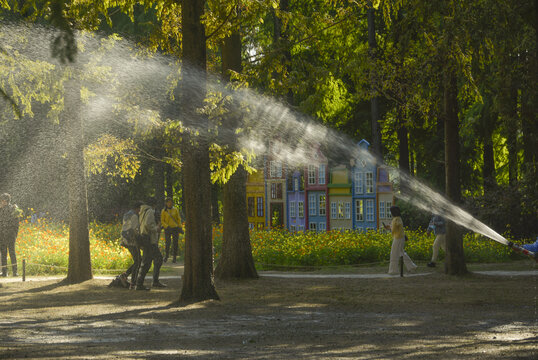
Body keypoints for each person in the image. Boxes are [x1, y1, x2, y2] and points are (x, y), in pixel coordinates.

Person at [135, 198, 166, 290]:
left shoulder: (143, 211)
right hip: (148, 239)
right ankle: (151, 282)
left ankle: (140, 283)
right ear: (154, 204)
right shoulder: (150, 211)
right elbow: (148, 224)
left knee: (147, 261)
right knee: (157, 259)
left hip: (144, 238)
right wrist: (156, 228)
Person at [384, 205, 417, 275]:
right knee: (401, 253)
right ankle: (412, 267)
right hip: (399, 238)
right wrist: (389, 227)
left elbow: (395, 228)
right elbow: (397, 228)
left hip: (398, 238)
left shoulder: (397, 219)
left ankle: (393, 270)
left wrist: (390, 227)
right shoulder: (397, 218)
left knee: (394, 254)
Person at [119, 201, 144, 288]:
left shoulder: (127, 214)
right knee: (138, 261)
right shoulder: (134, 216)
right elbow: (134, 230)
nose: (140, 211)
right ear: (138, 208)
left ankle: (125, 275)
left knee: (137, 260)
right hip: (131, 241)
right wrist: (140, 241)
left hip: (125, 240)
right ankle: (133, 282)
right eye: (140, 209)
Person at [0, 193, 22, 277]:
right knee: (4, 253)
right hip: (2, 234)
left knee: (11, 252)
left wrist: (14, 233)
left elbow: (16, 222)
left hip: (9, 234)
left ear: (5, 201)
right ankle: (5, 272)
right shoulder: (1, 209)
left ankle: (14, 271)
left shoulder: (13, 208)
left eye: (2, 200)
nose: (1, 201)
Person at [161, 197, 182, 263]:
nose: (170, 203)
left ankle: (174, 257)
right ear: (166, 203)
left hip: (175, 228)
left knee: (175, 243)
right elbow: (162, 221)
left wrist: (180, 226)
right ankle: (166, 256)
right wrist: (166, 226)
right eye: (168, 202)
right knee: (168, 243)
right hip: (168, 229)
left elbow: (178, 219)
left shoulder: (175, 210)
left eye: (171, 202)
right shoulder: (163, 211)